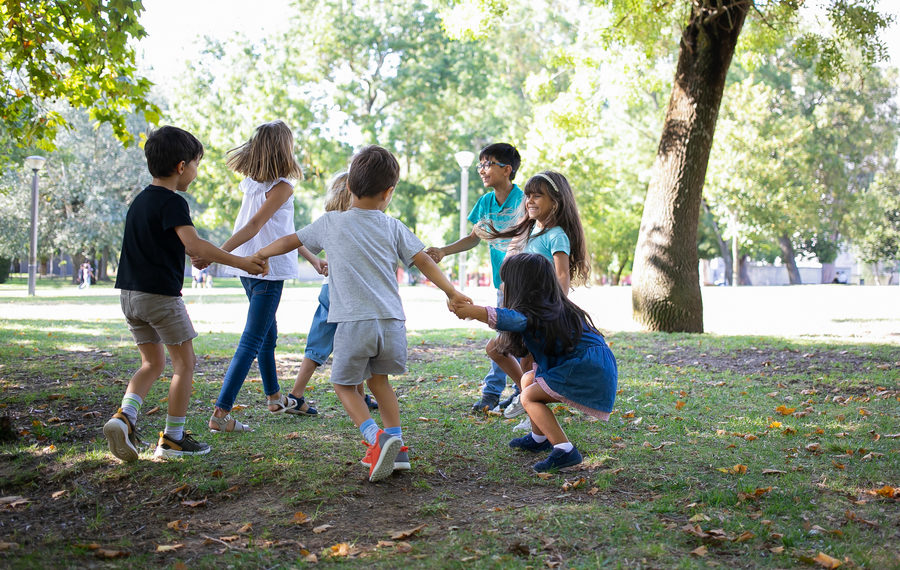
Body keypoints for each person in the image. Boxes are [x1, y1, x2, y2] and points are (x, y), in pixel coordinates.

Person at [253, 145, 471, 482]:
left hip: (354, 323)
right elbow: (424, 260)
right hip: (392, 324)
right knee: (379, 383)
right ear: (389, 193)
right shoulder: (392, 225)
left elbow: (290, 241)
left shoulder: (331, 223)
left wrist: (262, 253)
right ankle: (398, 448)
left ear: (349, 188)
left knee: (343, 384)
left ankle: (376, 438)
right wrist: (452, 292)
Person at [103, 126, 265, 462]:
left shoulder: (139, 202)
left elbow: (179, 248)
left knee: (151, 362)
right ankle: (173, 439)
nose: (195, 172)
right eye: (195, 165)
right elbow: (194, 245)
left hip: (129, 297)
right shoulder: (173, 202)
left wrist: (199, 254)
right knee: (184, 364)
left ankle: (125, 417)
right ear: (181, 167)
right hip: (160, 298)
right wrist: (242, 262)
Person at [195, 121, 326, 434]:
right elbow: (254, 226)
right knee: (253, 340)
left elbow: (282, 231)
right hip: (266, 270)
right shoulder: (281, 187)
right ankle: (221, 413)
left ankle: (274, 397)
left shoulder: (252, 184)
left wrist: (311, 257)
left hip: (249, 268)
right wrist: (214, 253)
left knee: (268, 334)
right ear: (285, 149)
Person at [450, 253, 616, 472]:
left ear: (521, 286)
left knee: (528, 396)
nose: (501, 287)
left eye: (505, 282)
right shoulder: (550, 308)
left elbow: (511, 318)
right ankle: (539, 438)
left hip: (584, 369)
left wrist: (473, 312)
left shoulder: (536, 313)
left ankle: (565, 450)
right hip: (588, 366)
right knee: (528, 380)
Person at [484, 170, 591, 429]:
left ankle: (532, 413)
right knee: (500, 351)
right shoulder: (530, 231)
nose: (529, 200)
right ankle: (527, 400)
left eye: (537, 196)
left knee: (526, 361)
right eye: (528, 195)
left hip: (542, 313)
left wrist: (557, 309)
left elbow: (562, 275)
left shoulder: (556, 235)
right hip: (522, 309)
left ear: (555, 201)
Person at [426, 143, 524, 414]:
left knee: (506, 340)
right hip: (501, 285)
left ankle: (496, 393)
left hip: (524, 285)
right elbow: (473, 238)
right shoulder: (485, 203)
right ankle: (517, 390)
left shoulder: (524, 200)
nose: (482, 170)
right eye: (480, 165)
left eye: (487, 164)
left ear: (507, 170)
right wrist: (443, 251)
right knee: (506, 339)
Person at [283, 172, 378, 417]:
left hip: (330, 288)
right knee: (354, 341)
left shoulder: (330, 220)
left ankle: (298, 394)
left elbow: (297, 238)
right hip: (347, 292)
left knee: (321, 343)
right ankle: (298, 395)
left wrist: (316, 260)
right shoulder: (359, 222)